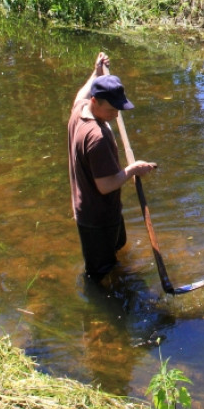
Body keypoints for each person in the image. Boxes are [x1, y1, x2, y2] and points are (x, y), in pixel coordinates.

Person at [68, 52, 157, 284]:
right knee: (98, 274)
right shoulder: (97, 137)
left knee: (117, 251)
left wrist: (95, 73)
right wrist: (133, 170)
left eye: (118, 109)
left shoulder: (79, 111)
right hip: (97, 218)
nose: (116, 115)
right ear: (95, 102)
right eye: (111, 110)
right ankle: (100, 311)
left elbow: (80, 94)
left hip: (96, 210)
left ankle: (117, 279)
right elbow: (106, 185)